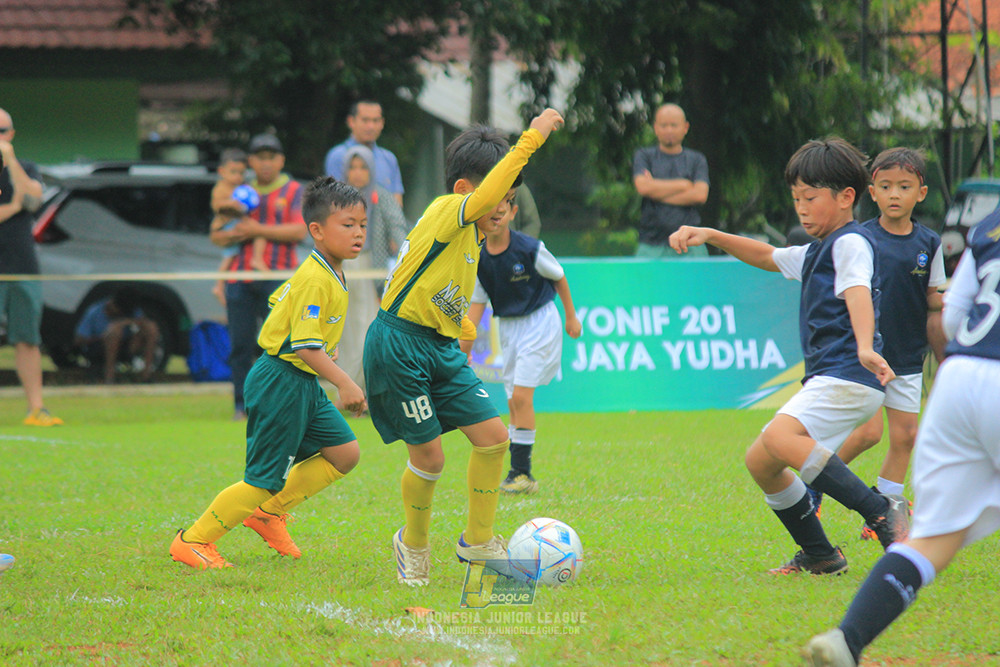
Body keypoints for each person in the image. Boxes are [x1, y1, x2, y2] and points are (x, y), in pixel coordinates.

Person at [668, 137, 911, 575]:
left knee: (780, 439)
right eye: (796, 198)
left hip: (850, 372)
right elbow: (766, 254)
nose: (800, 207)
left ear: (846, 198)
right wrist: (710, 234)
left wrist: (863, 343)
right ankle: (821, 554)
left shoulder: (849, 243)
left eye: (810, 198)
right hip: (836, 376)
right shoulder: (819, 249)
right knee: (761, 461)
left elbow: (857, 290)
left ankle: (879, 511)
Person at [362, 108, 564, 586]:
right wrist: (531, 139)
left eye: (511, 200)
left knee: (494, 437)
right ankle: (412, 544)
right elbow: (486, 195)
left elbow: (445, 294)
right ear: (464, 192)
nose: (502, 208)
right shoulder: (443, 211)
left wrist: (464, 334)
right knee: (430, 457)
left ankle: (478, 541)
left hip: (437, 347)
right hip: (399, 345)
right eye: (498, 197)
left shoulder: (472, 239)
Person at [801, 207, 1000, 667]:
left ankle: (847, 640)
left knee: (931, 539)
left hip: (959, 381)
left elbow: (952, 321)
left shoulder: (990, 224)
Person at [170, 177, 368, 569]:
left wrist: (327, 348)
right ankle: (192, 541)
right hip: (281, 380)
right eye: (347, 225)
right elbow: (304, 345)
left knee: (344, 453)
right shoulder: (315, 277)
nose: (358, 233)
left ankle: (268, 513)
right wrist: (344, 381)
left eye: (362, 224)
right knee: (262, 478)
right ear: (316, 230)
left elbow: (287, 310)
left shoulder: (329, 270)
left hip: (302, 381)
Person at [834, 148, 945, 539]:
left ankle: (884, 510)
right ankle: (813, 490)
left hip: (908, 356)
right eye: (885, 186)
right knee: (867, 434)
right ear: (872, 192)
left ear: (922, 192)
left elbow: (935, 297)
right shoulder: (859, 239)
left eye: (904, 186)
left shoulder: (929, 242)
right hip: (867, 354)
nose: (894, 193)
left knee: (905, 437)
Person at [463, 200, 582, 494]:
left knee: (521, 396)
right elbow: (476, 310)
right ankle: (518, 474)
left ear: (514, 213)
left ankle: (522, 473)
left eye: (502, 210)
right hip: (509, 328)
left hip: (540, 322)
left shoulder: (530, 248)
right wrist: (460, 352)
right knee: (513, 400)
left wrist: (571, 315)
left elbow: (559, 276)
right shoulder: (479, 260)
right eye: (490, 212)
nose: (496, 216)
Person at [210, 133, 307, 420]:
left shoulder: (293, 191)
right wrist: (230, 234)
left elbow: (299, 231)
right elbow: (216, 235)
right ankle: (241, 405)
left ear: (281, 160)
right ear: (250, 161)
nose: (265, 164)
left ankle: (279, 402)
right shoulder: (238, 189)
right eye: (259, 158)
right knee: (240, 344)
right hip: (239, 277)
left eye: (271, 157)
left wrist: (256, 230)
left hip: (279, 277)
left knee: (279, 345)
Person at [0, 108, 62, 426]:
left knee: (26, 338)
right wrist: (12, 207)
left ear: (11, 134)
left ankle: (36, 409)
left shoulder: (25, 168)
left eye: (2, 131)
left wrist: (10, 162)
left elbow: (33, 200)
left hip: (21, 266)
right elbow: (17, 206)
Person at [334, 144, 410, 391]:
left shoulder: (380, 195)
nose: (357, 172)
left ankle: (362, 389)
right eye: (352, 167)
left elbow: (397, 226)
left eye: (363, 167)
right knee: (344, 331)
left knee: (367, 328)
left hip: (370, 270)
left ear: (372, 169)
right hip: (341, 268)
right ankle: (347, 390)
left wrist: (408, 258)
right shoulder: (336, 200)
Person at [632, 103, 709, 258]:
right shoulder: (644, 156)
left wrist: (656, 191)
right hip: (650, 245)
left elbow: (700, 195)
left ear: (685, 127)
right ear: (655, 127)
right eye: (664, 125)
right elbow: (643, 188)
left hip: (690, 245)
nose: (669, 130)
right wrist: (684, 185)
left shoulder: (697, 160)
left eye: (674, 125)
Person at [209, 148, 267, 305]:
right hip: (226, 226)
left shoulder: (242, 187)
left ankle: (256, 259)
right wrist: (231, 204)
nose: (237, 177)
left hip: (237, 223)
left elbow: (249, 199)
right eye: (233, 172)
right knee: (229, 256)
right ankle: (219, 285)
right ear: (221, 171)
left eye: (241, 173)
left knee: (259, 231)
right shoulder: (221, 188)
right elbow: (216, 206)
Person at [324, 100, 405, 207]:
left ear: (382, 123)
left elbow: (397, 204)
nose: (371, 126)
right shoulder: (338, 155)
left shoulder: (389, 158)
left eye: (375, 121)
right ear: (351, 121)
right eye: (365, 120)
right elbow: (334, 202)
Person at [73, 288, 160, 384]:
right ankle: (109, 376)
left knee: (151, 328)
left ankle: (146, 375)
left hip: (125, 346)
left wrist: (123, 323)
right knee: (114, 333)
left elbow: (143, 322)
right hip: (99, 347)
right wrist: (104, 336)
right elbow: (78, 340)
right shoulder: (94, 311)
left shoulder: (130, 310)